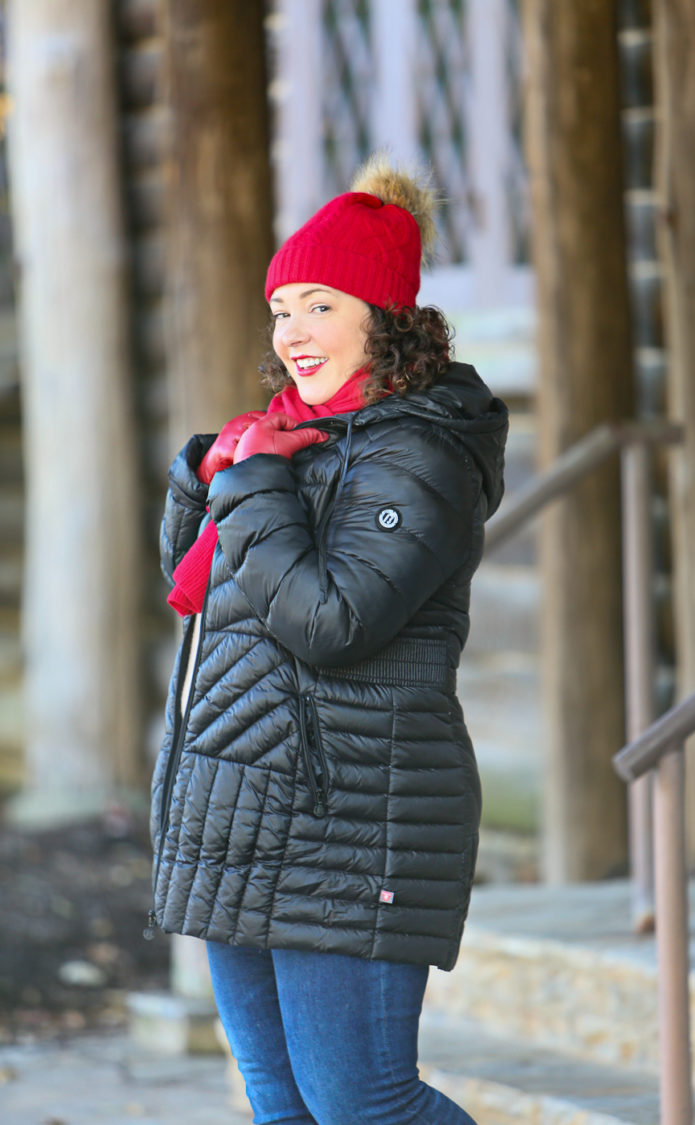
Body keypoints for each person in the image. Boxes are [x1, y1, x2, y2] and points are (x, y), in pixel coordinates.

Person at [148, 154, 508, 1124]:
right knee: (282, 1103)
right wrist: (207, 475)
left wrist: (254, 482)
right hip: (241, 810)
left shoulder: (419, 450)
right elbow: (203, 592)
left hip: (352, 817)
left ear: (383, 315)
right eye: (283, 308)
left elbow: (331, 623)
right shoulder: (294, 437)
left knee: (364, 1105)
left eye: (321, 306)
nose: (292, 332)